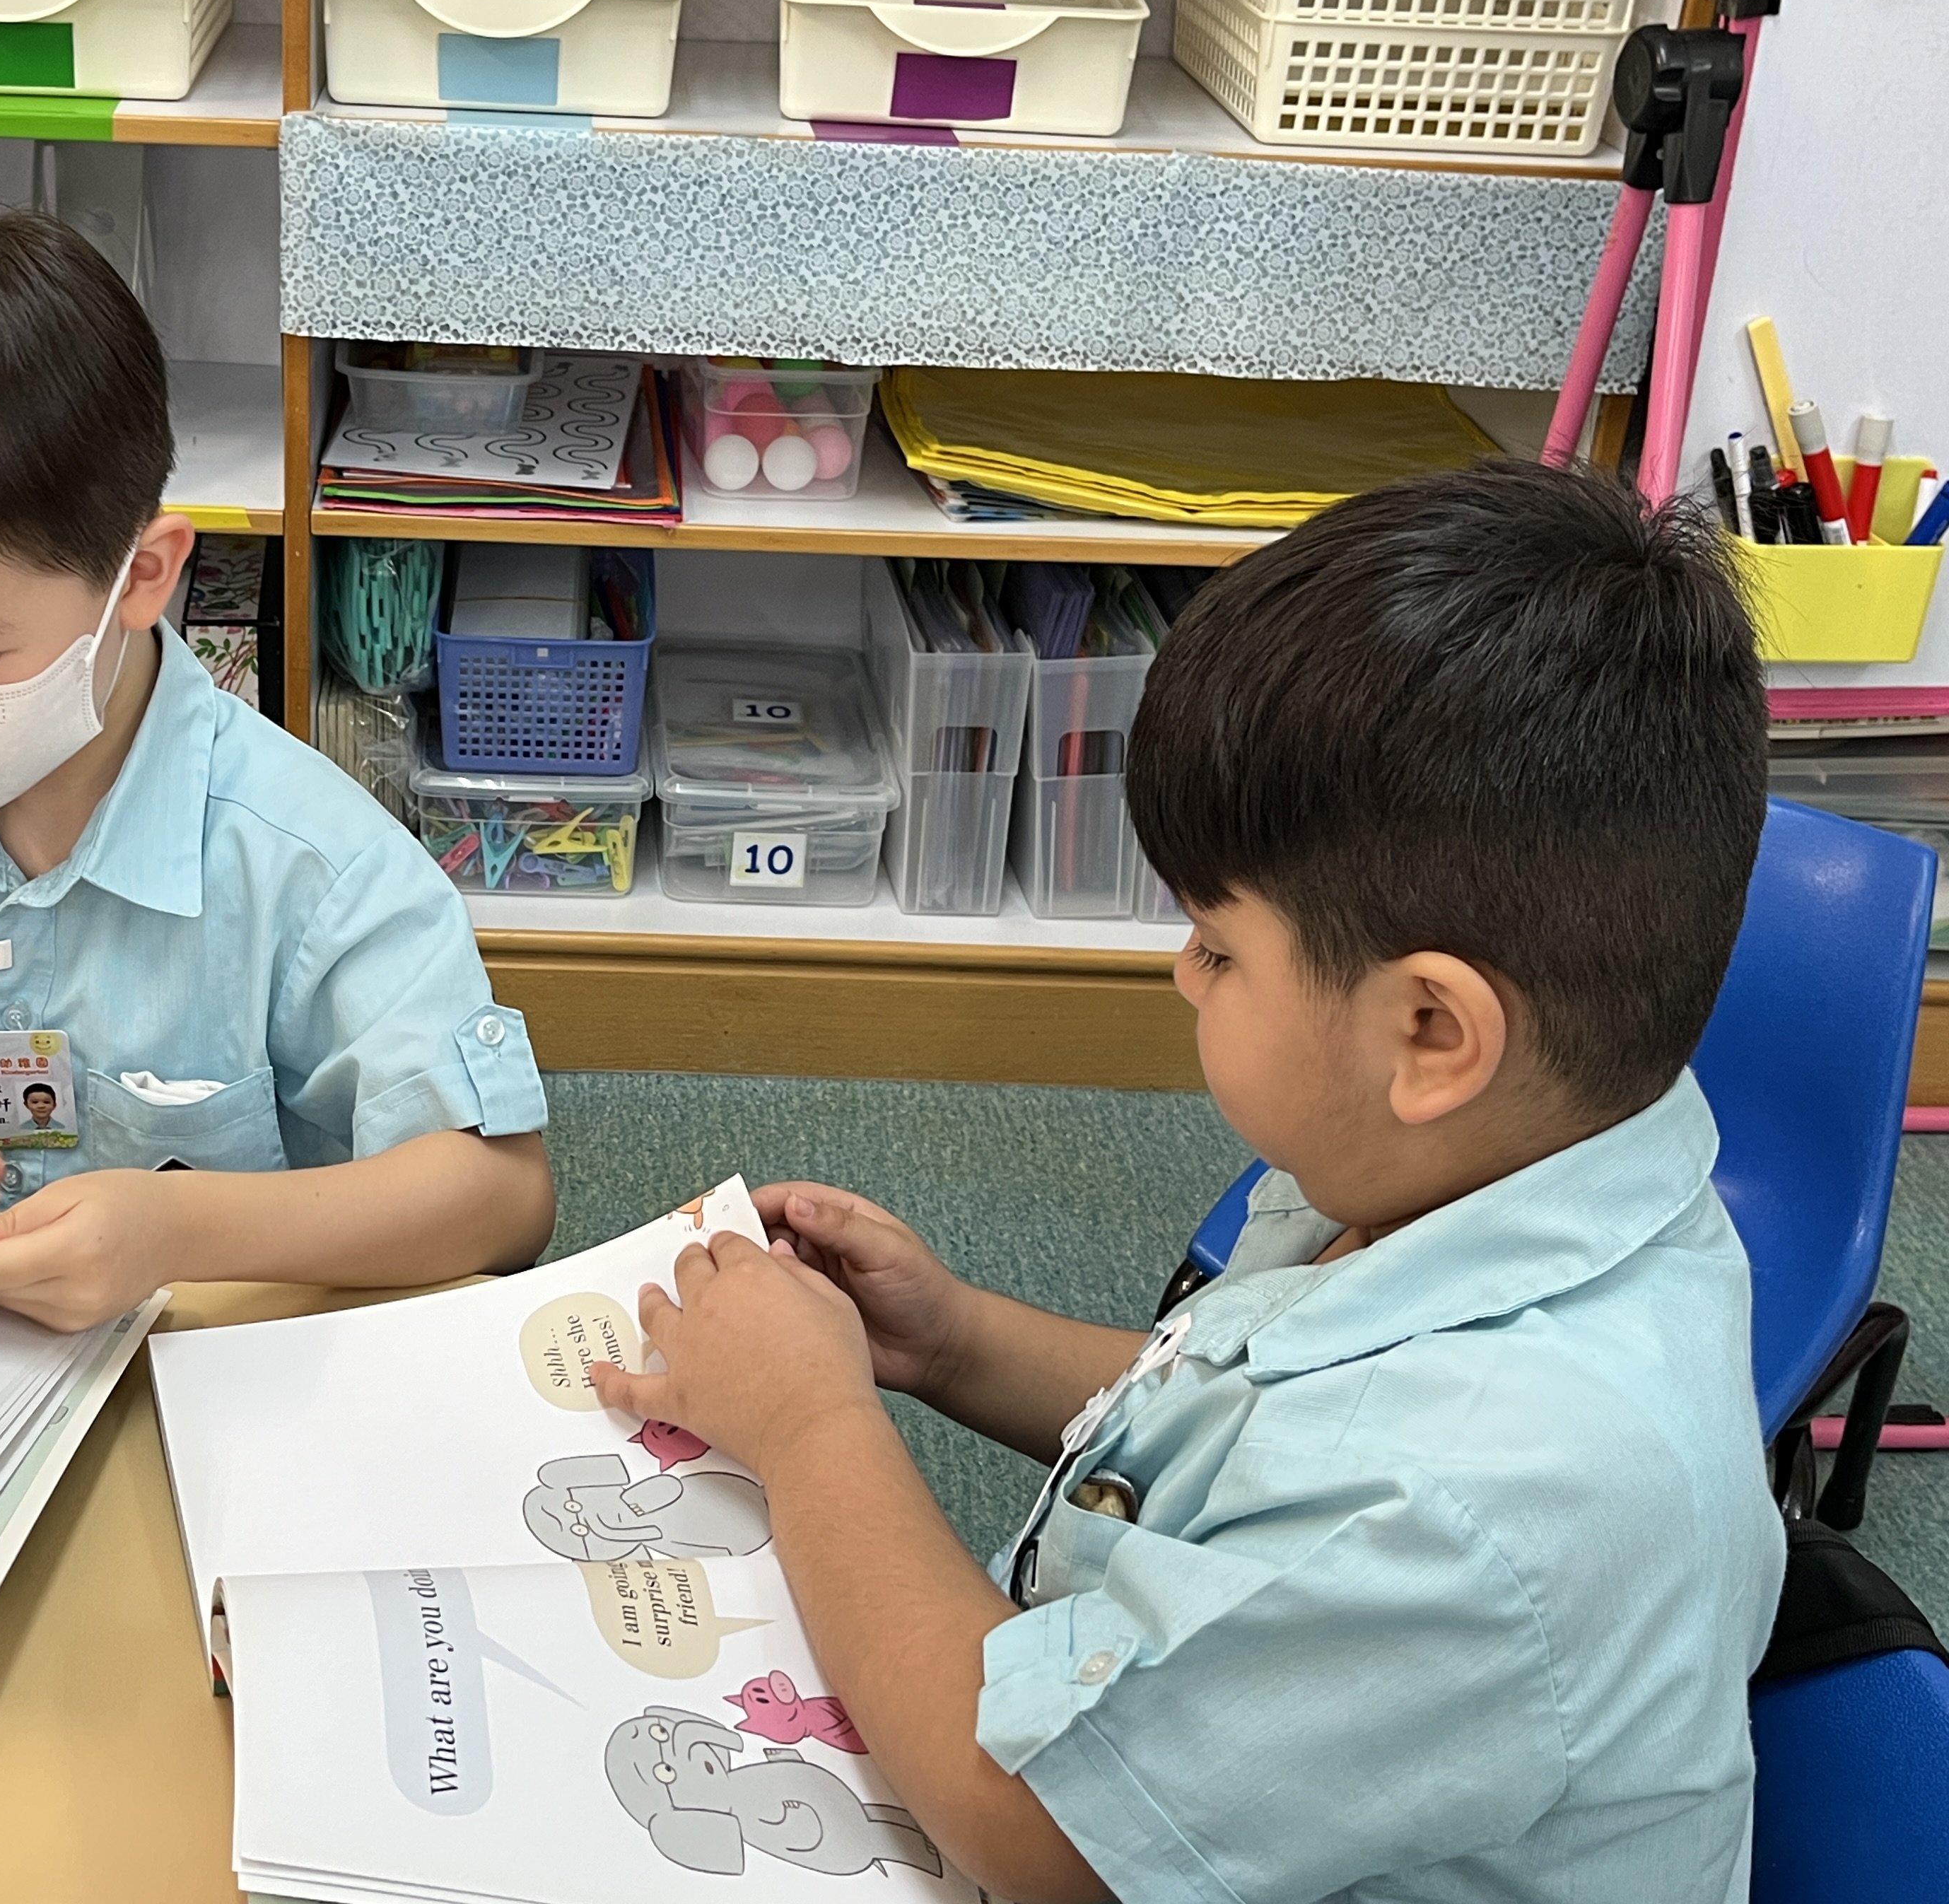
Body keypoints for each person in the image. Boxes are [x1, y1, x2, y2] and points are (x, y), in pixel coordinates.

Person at [592, 465, 1784, 1902]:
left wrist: (810, 1424)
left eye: (1217, 946)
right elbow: (1244, 1422)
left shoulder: (1475, 1509)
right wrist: (956, 1343)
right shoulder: (1529, 1159)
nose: (1179, 973)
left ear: (1429, 1032)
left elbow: (1029, 1825)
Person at [0, 207, 554, 1329]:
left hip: (222, 1363)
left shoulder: (310, 859)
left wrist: (179, 1228)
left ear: (143, 575)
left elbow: (503, 1198)